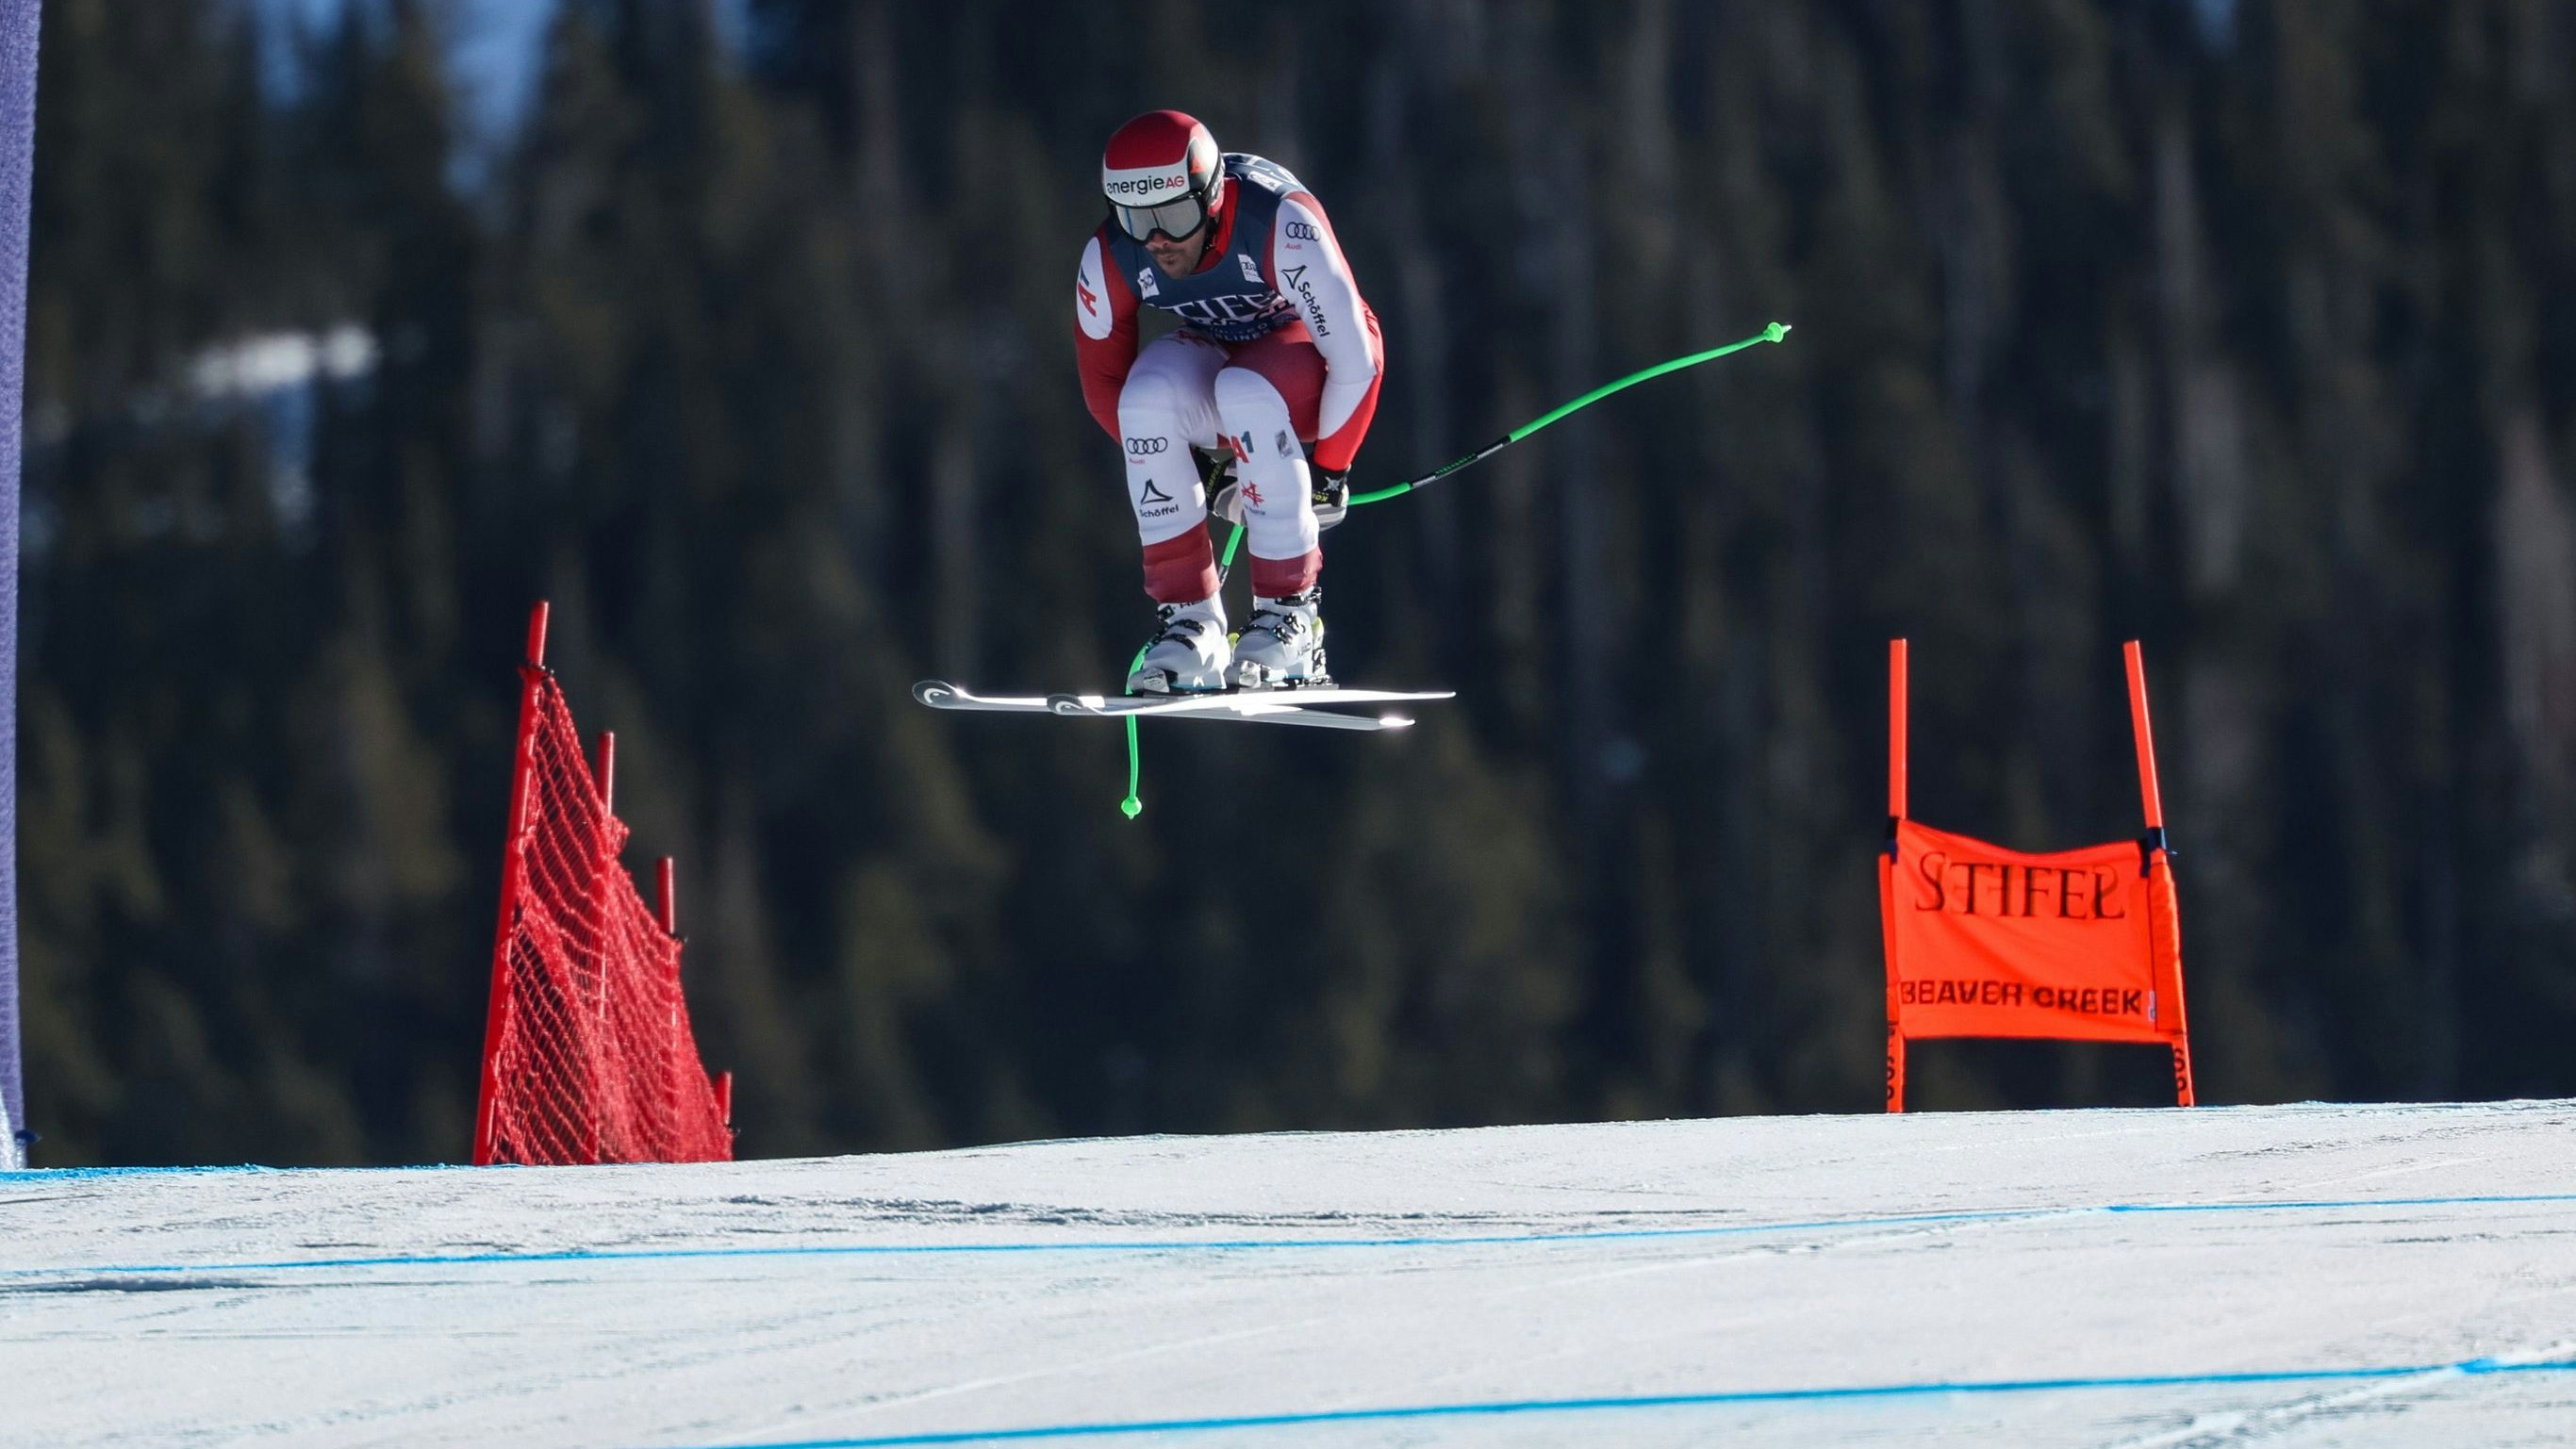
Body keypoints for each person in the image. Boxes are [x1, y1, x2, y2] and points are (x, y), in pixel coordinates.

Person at [1075, 109, 1384, 692]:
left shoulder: (1278, 224)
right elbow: (1103, 389)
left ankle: (1291, 619)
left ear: (1211, 195)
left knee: (1245, 389)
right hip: (1223, 353)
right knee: (1143, 402)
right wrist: (1202, 471)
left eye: (1175, 214)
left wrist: (1330, 470)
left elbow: (1356, 357)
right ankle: (1191, 627)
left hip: (1311, 362)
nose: (1158, 238)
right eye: (1136, 218)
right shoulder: (1115, 253)